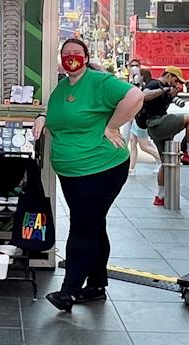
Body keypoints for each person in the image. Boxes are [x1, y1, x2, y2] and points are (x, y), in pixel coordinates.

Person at [32, 38, 143, 312]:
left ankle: (68, 292)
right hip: (73, 172)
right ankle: (95, 285)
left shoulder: (100, 82)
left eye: (76, 53)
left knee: (83, 227)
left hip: (101, 168)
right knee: (94, 224)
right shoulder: (63, 85)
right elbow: (58, 112)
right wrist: (43, 117)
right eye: (66, 53)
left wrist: (113, 126)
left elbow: (135, 96)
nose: (71, 57)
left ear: (86, 55)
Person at [139, 66, 189, 206]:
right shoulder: (156, 84)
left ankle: (160, 196)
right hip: (156, 123)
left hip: (155, 127)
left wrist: (172, 96)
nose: (176, 83)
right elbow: (144, 95)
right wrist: (164, 90)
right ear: (168, 75)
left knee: (165, 163)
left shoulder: (167, 89)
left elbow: (179, 105)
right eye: (175, 80)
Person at [126, 69, 162, 175]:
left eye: (138, 75)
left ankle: (162, 160)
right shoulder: (144, 85)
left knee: (144, 146)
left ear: (142, 76)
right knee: (133, 142)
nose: (137, 77)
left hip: (141, 120)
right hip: (138, 119)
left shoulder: (149, 86)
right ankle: (131, 168)